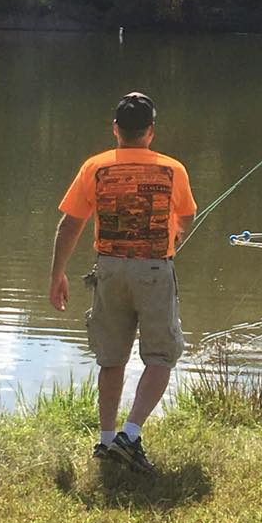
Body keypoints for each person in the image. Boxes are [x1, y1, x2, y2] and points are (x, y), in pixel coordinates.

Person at [48, 92, 196, 471]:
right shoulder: (172, 169)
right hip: (153, 270)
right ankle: (130, 435)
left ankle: (106, 440)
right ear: (150, 132)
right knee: (161, 356)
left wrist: (57, 274)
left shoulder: (95, 167)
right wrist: (175, 237)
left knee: (111, 357)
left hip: (109, 269)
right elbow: (186, 217)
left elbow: (70, 224)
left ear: (116, 130)